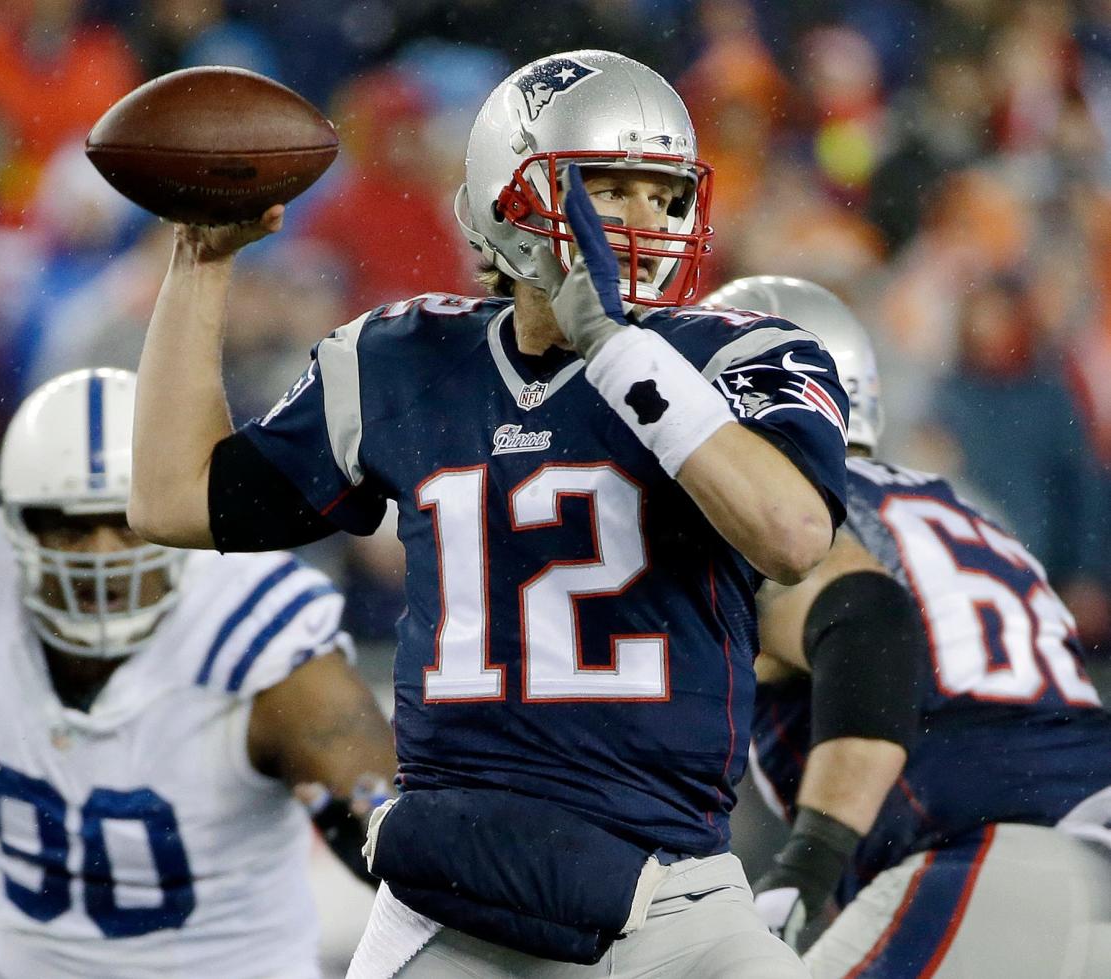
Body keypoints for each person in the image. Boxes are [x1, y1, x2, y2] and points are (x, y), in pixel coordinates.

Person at [130, 50, 851, 978]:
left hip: (679, 894)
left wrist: (618, 354)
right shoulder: (404, 360)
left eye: (665, 195)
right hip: (463, 902)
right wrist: (201, 262)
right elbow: (172, 497)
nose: (645, 221)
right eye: (608, 188)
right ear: (508, 199)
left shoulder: (737, 355)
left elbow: (792, 536)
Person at [0, 367, 397, 979]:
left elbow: (392, 847)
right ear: (16, 525)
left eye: (125, 521)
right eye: (68, 523)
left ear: (168, 514)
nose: (101, 556)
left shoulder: (259, 637)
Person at [704, 276, 1111, 978]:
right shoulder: (961, 507)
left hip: (991, 861)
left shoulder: (783, 526)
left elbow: (864, 626)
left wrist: (808, 864)